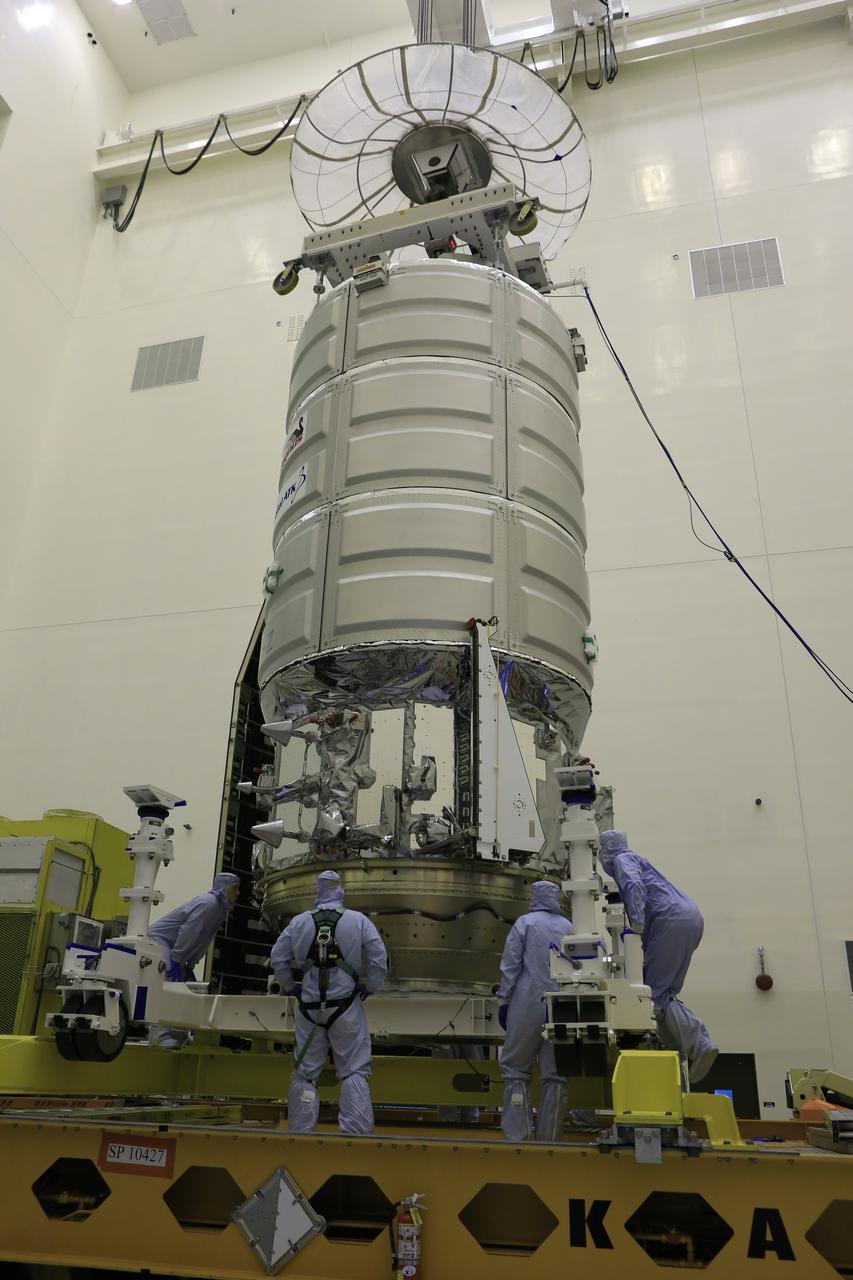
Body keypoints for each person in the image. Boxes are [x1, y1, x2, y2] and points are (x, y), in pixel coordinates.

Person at [271, 869, 388, 1136]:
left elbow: (278, 957)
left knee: (305, 1074)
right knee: (354, 1070)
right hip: (346, 1008)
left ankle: (300, 1135)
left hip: (310, 1010)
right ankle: (355, 1138)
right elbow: (379, 958)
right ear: (340, 891)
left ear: (318, 891)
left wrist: (291, 987)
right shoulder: (358, 921)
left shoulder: (299, 922)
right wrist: (370, 987)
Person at [598, 830, 718, 1083]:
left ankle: (700, 1044)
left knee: (657, 994)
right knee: (664, 997)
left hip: (670, 922)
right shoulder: (637, 858)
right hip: (687, 919)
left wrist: (636, 927)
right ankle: (679, 1056)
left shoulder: (622, 861)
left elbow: (632, 884)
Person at [496, 880, 573, 1142]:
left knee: (516, 1069)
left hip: (527, 1003)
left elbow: (510, 965)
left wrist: (504, 1000)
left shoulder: (525, 923)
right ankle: (550, 1139)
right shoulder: (569, 927)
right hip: (561, 1007)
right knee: (555, 1076)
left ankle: (518, 1138)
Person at [147, 871, 241, 1049]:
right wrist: (176, 959)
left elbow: (203, 940)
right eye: (235, 888)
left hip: (174, 947)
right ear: (225, 888)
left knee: (186, 990)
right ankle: (158, 1036)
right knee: (169, 983)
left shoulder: (219, 909)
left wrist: (189, 964)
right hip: (159, 940)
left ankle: (178, 1034)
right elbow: (189, 932)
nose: (238, 893)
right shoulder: (209, 904)